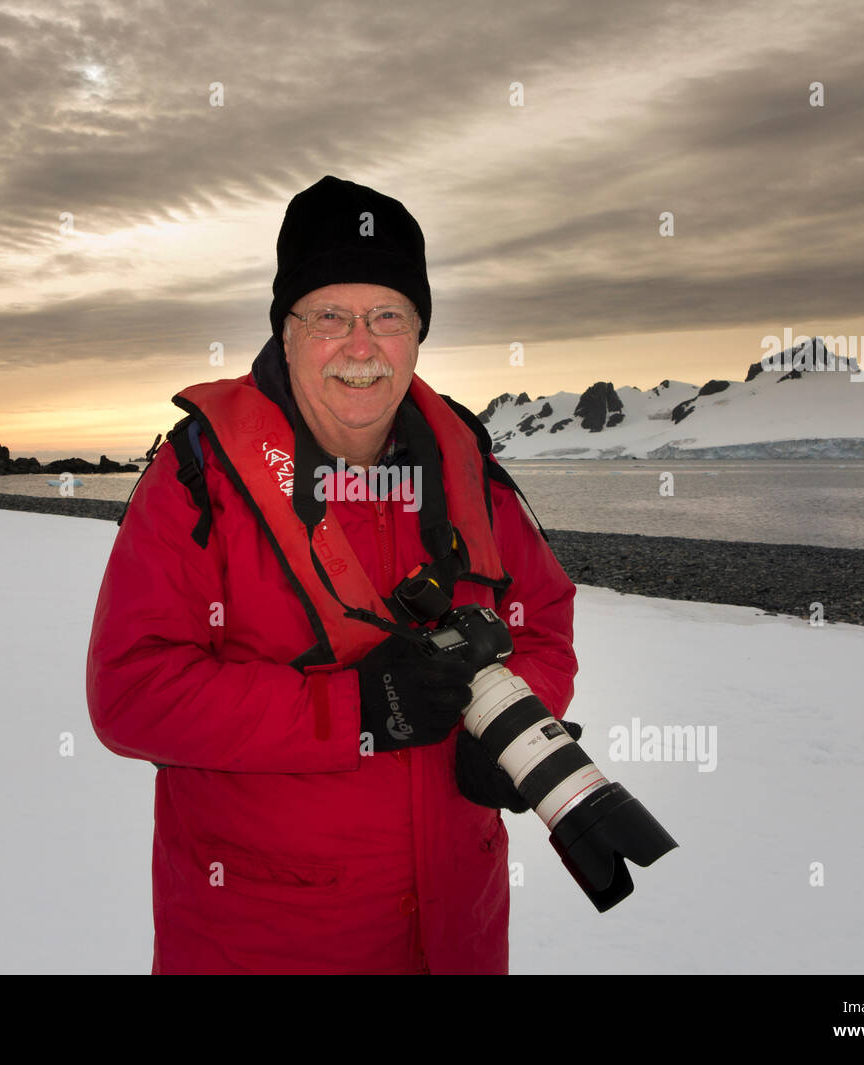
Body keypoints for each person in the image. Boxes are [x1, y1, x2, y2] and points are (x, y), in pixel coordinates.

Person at [86, 175, 578, 974]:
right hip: (266, 940)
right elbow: (132, 694)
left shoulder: (469, 469)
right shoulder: (199, 477)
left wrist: (513, 724)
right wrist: (356, 708)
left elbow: (543, 625)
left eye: (388, 315)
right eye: (328, 316)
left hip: (460, 932)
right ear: (286, 332)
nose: (361, 344)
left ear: (417, 334)